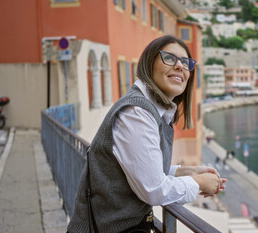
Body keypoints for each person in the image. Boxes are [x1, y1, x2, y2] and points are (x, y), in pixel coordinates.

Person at [67, 35, 226, 233]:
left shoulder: (152, 110)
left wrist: (186, 172)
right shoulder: (136, 113)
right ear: (149, 64)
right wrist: (198, 182)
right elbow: (153, 189)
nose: (180, 66)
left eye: (186, 62)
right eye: (170, 58)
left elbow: (139, 167)